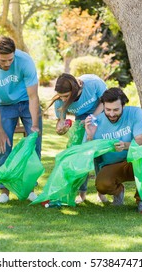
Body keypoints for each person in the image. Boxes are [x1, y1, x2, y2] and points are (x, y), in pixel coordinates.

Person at [0, 35, 42, 203]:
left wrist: (35, 124)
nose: (7, 64)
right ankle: (4, 192)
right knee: (4, 146)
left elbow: (33, 96)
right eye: (3, 61)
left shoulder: (24, 61)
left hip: (27, 102)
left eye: (10, 60)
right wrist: (0, 131)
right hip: (4, 106)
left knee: (33, 145)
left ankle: (30, 189)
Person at [84, 87, 142, 212]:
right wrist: (90, 136)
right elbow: (87, 154)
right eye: (107, 109)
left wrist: (125, 145)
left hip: (134, 161)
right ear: (103, 106)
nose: (112, 114)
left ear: (123, 106)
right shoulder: (95, 122)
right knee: (102, 185)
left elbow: (141, 141)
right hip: (111, 165)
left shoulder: (135, 113)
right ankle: (118, 191)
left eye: (116, 109)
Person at [46, 73, 108, 204]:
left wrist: (91, 118)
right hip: (81, 121)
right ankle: (82, 194)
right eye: (61, 96)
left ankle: (101, 193)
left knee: (100, 156)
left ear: (75, 90)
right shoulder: (59, 101)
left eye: (66, 96)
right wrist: (60, 129)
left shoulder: (93, 83)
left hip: (101, 116)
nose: (63, 99)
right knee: (81, 156)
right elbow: (60, 122)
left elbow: (105, 102)